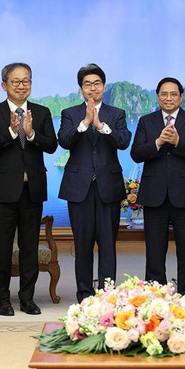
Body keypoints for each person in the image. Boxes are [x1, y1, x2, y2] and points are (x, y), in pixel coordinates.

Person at [0, 62, 58, 316]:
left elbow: (52, 145)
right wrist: (11, 133)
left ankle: (27, 299)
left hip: (32, 191)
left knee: (29, 248)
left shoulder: (42, 112)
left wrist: (31, 133)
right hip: (3, 192)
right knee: (1, 249)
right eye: (16, 81)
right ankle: (2, 299)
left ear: (31, 84)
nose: (21, 85)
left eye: (26, 81)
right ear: (4, 85)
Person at [130, 77, 185, 303]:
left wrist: (178, 142)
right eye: (164, 94)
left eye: (173, 94)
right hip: (154, 196)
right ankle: (156, 300)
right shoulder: (146, 121)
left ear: (181, 97)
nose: (168, 98)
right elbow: (136, 153)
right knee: (154, 253)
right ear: (157, 97)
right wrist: (157, 143)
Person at [58, 64, 131, 302]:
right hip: (79, 188)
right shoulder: (69, 113)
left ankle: (107, 296)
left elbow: (123, 142)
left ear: (104, 86)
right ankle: (84, 295)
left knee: (108, 244)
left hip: (108, 187)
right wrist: (84, 123)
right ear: (81, 88)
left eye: (97, 83)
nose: (92, 88)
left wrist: (100, 126)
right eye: (87, 84)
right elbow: (64, 141)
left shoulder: (116, 113)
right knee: (83, 245)